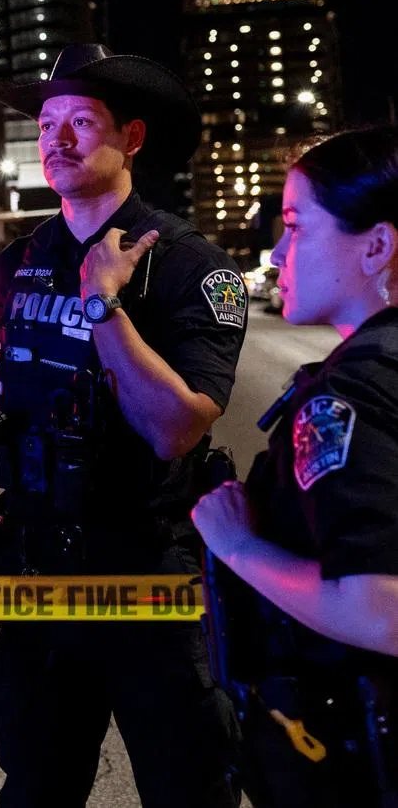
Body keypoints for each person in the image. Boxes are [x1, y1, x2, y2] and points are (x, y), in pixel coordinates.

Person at [0, 42, 247, 808]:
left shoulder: (192, 268)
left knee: (188, 793)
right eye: (46, 125)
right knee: (37, 789)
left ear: (130, 139)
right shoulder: (20, 261)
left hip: (149, 579)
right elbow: (5, 381)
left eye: (81, 121)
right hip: (40, 582)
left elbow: (176, 429)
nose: (57, 140)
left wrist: (103, 303)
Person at [193, 125, 398, 808]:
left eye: (295, 226)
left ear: (377, 246)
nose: (278, 254)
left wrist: (236, 544)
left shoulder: (346, 400)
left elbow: (383, 610)